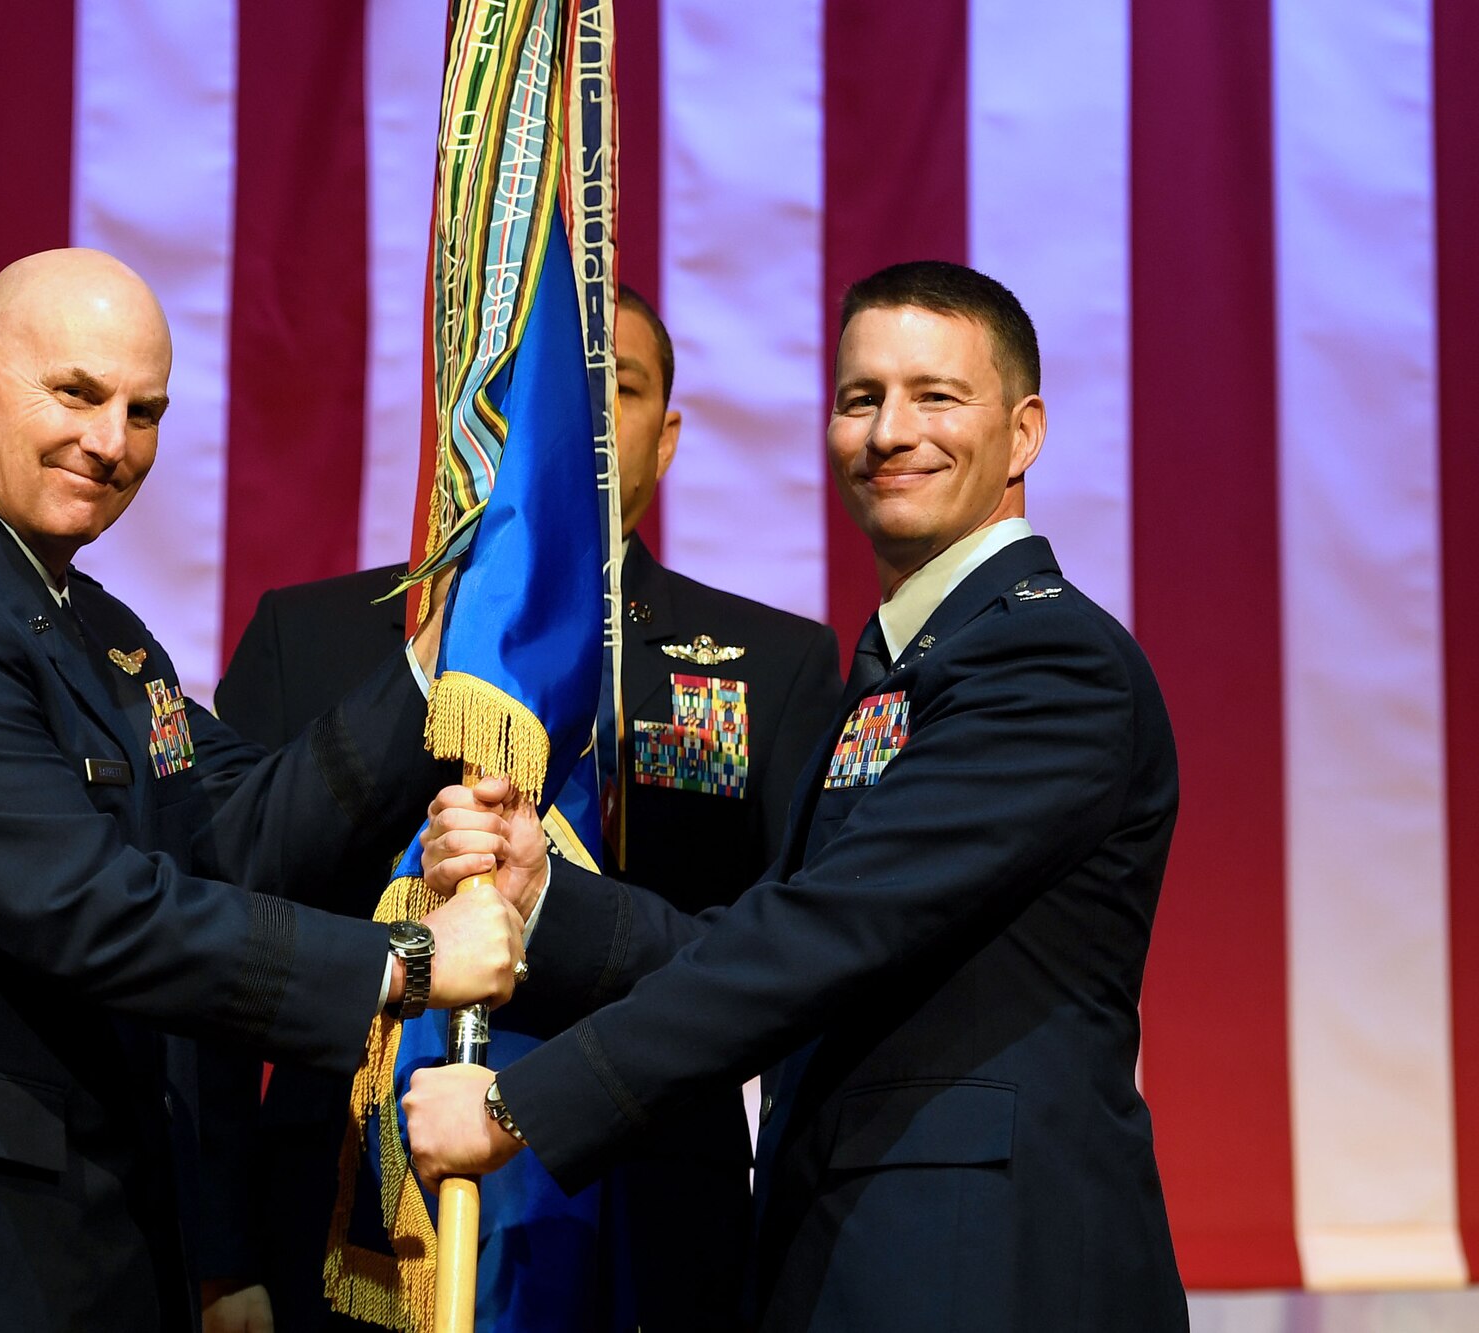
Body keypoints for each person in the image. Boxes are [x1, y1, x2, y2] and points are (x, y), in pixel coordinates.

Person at [0, 248, 528, 1332]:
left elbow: (242, 834)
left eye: (142, 411)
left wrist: (428, 670)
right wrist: (408, 963)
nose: (109, 443)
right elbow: (94, 911)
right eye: (75, 393)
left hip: (84, 1245)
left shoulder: (96, 633)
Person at [406, 260, 1189, 1331]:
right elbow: (780, 935)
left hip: (984, 1271)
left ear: (1023, 432)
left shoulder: (1048, 661)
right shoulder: (905, 665)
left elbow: (824, 935)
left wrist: (518, 1104)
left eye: (935, 396)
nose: (888, 431)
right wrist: (551, 899)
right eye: (859, 398)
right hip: (861, 1255)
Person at [196, 286, 843, 1330]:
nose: (571, 422)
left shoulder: (773, 667)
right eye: (534, 391)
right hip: (338, 1237)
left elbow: (799, 972)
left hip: (648, 1233)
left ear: (665, 437)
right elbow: (213, 955)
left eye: (615, 389)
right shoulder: (308, 642)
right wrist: (219, 1255)